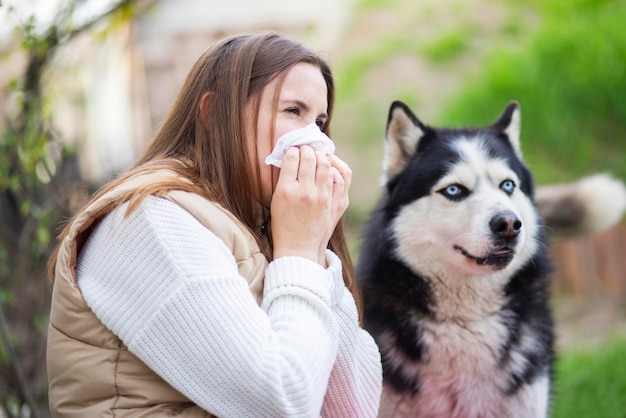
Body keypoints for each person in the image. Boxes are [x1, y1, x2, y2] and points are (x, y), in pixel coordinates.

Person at [46, 32, 383, 417]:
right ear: (214, 115)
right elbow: (280, 404)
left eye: (320, 122)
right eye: (293, 111)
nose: (317, 142)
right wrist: (300, 253)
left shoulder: (267, 225)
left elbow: (349, 408)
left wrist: (317, 249)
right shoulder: (149, 220)